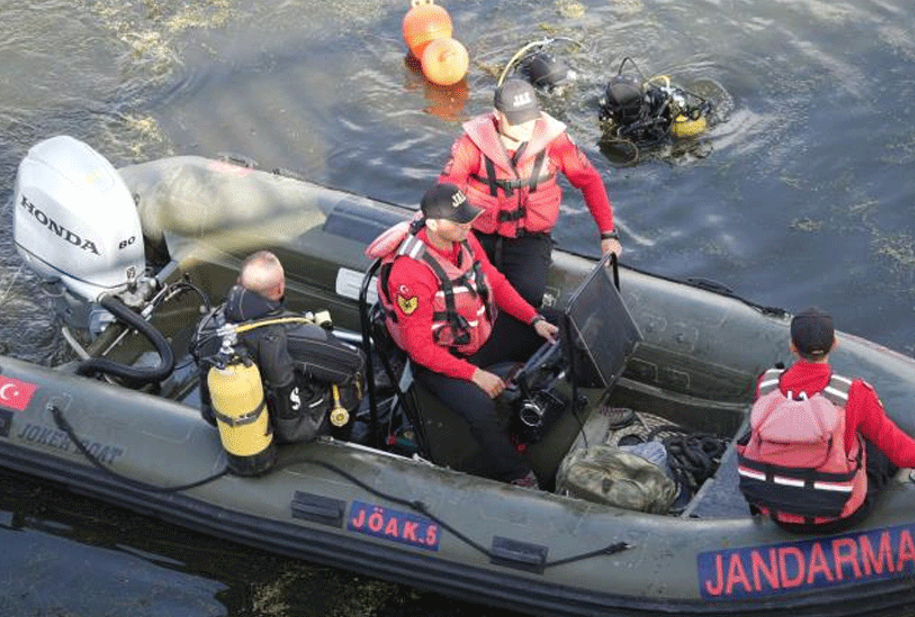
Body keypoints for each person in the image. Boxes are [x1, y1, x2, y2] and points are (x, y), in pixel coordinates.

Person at [377, 183, 560, 486]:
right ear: (434, 224)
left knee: (558, 324)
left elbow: (496, 282)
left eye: (468, 218)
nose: (469, 224)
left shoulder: (464, 239)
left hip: (479, 333)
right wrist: (474, 375)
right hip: (440, 358)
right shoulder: (411, 274)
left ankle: (561, 402)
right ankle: (516, 474)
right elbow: (420, 349)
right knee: (479, 408)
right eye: (460, 220)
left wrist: (534, 319)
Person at [736, 307, 915, 533]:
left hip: (778, 513)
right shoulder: (854, 393)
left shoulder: (767, 386)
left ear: (792, 347)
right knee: (877, 448)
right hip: (839, 515)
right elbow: (900, 451)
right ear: (834, 344)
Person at [438, 78, 622, 362]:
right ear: (498, 117)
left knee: (525, 299)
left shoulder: (555, 142)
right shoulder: (472, 144)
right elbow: (447, 192)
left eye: (531, 119)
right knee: (465, 297)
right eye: (519, 122)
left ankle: (491, 360)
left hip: (528, 239)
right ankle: (466, 356)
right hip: (477, 236)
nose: (528, 127)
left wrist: (607, 233)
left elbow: (590, 181)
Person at [196, 250, 365, 443]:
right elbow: (354, 362)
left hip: (226, 419)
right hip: (288, 432)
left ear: (238, 281)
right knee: (354, 378)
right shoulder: (297, 336)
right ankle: (343, 438)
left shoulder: (209, 325)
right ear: (280, 289)